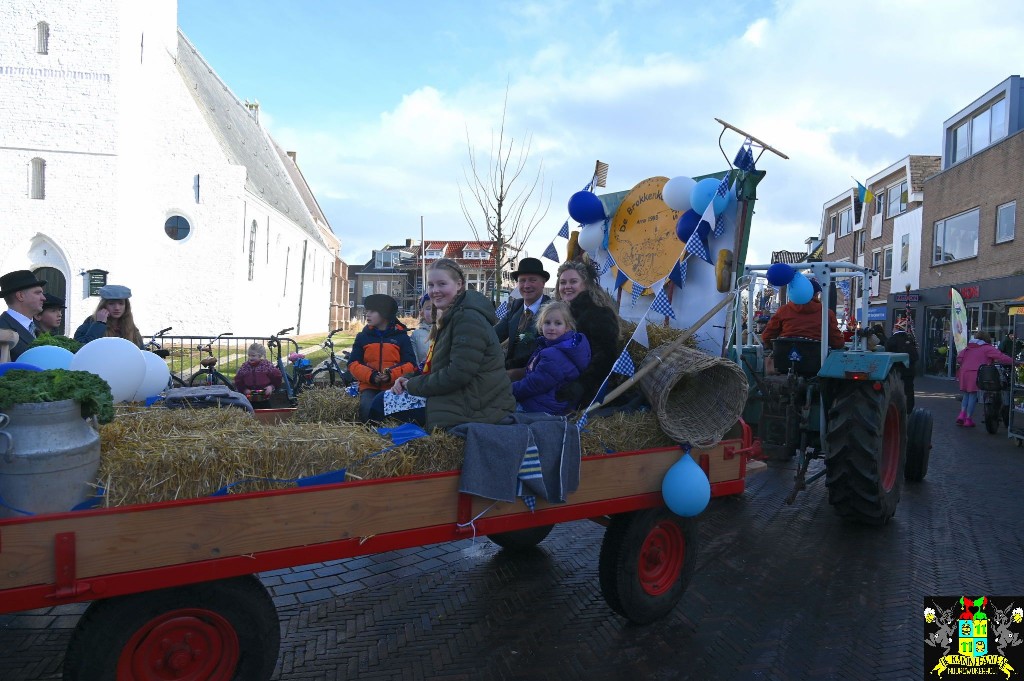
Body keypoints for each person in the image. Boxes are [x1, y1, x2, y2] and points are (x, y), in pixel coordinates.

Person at [389, 258, 515, 430]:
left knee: (378, 408)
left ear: (459, 284)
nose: (435, 291)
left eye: (442, 284)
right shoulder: (453, 316)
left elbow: (457, 375)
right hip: (464, 397)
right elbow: (439, 367)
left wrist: (412, 386)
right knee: (382, 402)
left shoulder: (467, 319)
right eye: (431, 285)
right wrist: (408, 380)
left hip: (476, 405)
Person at [553, 259, 621, 408]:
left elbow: (605, 357)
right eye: (563, 282)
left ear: (586, 284)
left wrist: (580, 385)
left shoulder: (598, 313)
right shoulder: (560, 313)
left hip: (587, 388)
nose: (567, 287)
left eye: (573, 282)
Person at [512, 301, 591, 415]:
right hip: (545, 402)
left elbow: (534, 384)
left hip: (542, 408)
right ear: (541, 325)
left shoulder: (555, 354)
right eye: (547, 323)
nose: (551, 328)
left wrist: (509, 389)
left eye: (558, 323)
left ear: (567, 327)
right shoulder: (553, 346)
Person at [348, 293, 416, 422]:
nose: (367, 314)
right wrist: (371, 376)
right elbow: (353, 364)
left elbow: (410, 365)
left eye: (372, 311)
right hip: (369, 387)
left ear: (385, 313)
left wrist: (391, 375)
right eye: (367, 310)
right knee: (367, 409)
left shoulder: (401, 337)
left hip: (394, 387)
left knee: (394, 418)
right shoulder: (362, 337)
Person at [494, 257, 551, 380]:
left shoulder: (552, 311)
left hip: (534, 378)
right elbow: (493, 335)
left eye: (532, 280)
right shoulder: (516, 306)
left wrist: (517, 373)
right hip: (506, 374)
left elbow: (549, 356)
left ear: (543, 283)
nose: (526, 285)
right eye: (522, 280)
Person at [760, 277, 844, 354]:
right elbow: (836, 342)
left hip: (785, 362)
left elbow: (767, 336)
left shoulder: (783, 310)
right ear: (816, 295)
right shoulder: (826, 313)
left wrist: (776, 348)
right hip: (816, 363)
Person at [955, 331, 1012, 428]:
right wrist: (1015, 362)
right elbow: (1001, 357)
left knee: (966, 394)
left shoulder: (968, 347)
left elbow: (959, 358)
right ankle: (968, 419)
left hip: (964, 372)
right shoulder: (986, 348)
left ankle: (962, 414)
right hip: (976, 372)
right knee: (973, 395)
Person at [73, 284, 143, 347]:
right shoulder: (91, 322)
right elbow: (80, 347)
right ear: (104, 305)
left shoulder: (130, 326)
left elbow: (141, 352)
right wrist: (99, 324)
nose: (117, 308)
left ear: (126, 306)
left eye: (121, 303)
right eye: (111, 303)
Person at [0, 270, 47, 360]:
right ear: (20, 296)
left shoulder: (37, 328)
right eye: (37, 293)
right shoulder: (2, 327)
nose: (43, 298)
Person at [885, 317, 919, 412]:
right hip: (909, 371)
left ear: (896, 328)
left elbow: (887, 356)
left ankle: (897, 411)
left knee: (895, 392)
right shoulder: (911, 339)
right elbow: (915, 356)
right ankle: (909, 410)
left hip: (896, 371)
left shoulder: (892, 340)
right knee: (909, 391)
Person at [409, 293, 433, 369]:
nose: (433, 311)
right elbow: (414, 363)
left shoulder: (449, 331)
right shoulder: (416, 335)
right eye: (429, 308)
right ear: (422, 312)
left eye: (437, 307)